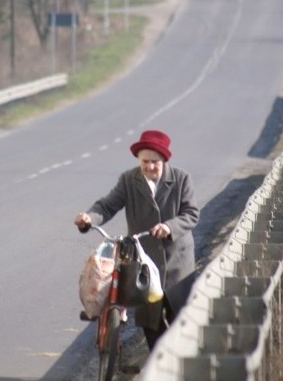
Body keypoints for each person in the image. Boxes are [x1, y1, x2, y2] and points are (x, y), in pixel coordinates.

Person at [74, 130, 199, 351]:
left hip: (177, 263)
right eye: (145, 161)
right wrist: (88, 218)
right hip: (143, 262)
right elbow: (107, 205)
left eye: (155, 162)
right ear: (138, 160)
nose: (150, 167)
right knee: (150, 320)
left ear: (164, 160)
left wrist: (168, 227)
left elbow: (191, 214)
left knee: (181, 318)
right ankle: (158, 363)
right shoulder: (129, 180)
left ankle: (180, 365)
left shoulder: (181, 179)